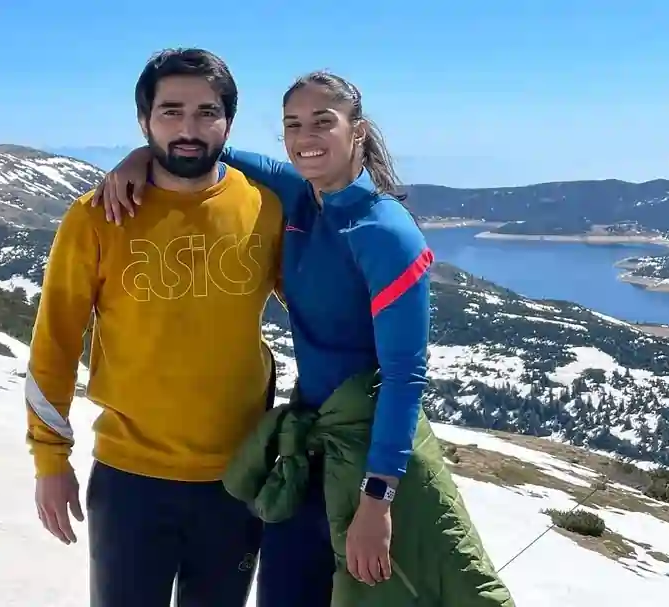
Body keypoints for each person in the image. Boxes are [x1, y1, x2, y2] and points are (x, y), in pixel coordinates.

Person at [93, 71, 513, 607]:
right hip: (306, 448)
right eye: (292, 124)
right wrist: (138, 158)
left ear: (357, 130)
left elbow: (405, 378)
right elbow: (207, 149)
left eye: (322, 122)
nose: (304, 137)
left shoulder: (385, 232)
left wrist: (377, 502)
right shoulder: (299, 195)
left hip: (367, 457)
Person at [25, 48, 286, 607]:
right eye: (171, 112)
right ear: (144, 120)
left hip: (238, 479)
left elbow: (323, 315)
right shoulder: (97, 216)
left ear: (228, 122)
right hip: (130, 481)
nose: (188, 129)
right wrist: (50, 460)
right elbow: (55, 343)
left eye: (206, 112)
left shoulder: (265, 209)